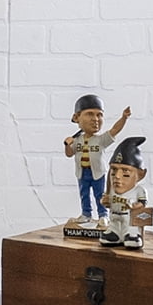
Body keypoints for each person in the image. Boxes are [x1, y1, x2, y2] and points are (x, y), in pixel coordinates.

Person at [63, 93, 132, 230]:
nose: (95, 119)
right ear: (77, 118)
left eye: (99, 115)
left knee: (100, 194)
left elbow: (115, 130)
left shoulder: (101, 140)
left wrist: (123, 118)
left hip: (98, 173)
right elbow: (69, 154)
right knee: (84, 194)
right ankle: (86, 214)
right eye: (90, 114)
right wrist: (67, 144)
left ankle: (103, 215)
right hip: (82, 172)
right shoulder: (77, 140)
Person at [100, 138, 151, 249]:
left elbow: (142, 203)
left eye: (125, 173)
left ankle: (132, 234)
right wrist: (105, 201)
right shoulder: (111, 190)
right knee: (111, 233)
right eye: (114, 171)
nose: (117, 177)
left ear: (140, 174)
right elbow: (108, 202)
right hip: (114, 219)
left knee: (131, 233)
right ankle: (115, 233)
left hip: (130, 221)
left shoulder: (138, 191)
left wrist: (133, 206)